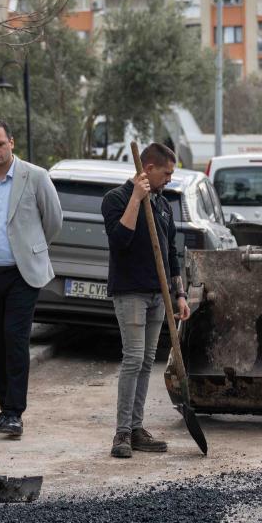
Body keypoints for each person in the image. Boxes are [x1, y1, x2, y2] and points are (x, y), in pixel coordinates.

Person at [0, 119, 62, 439]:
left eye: (0, 144)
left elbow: (53, 220)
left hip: (22, 274)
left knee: (15, 338)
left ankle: (15, 412)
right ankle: (4, 408)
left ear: (11, 143)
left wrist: (31, 248)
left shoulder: (35, 176)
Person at [100, 143, 190, 459]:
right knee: (133, 358)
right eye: (166, 173)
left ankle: (137, 429)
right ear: (148, 169)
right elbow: (119, 240)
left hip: (158, 294)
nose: (169, 179)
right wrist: (137, 198)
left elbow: (171, 254)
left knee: (147, 361)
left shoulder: (163, 205)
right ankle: (122, 433)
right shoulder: (116, 199)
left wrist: (180, 294)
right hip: (130, 292)